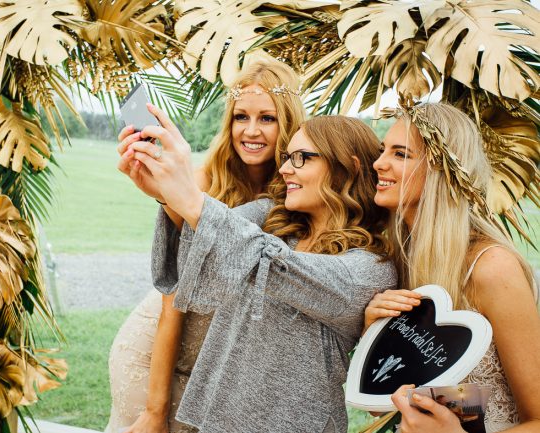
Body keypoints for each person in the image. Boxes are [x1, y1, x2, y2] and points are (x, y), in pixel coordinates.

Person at [118, 111, 397, 433]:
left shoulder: (370, 267)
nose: (284, 169)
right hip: (217, 421)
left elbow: (268, 263)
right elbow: (203, 243)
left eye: (301, 158)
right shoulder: (270, 217)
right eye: (286, 157)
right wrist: (164, 193)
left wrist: (188, 196)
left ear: (349, 168)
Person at [105, 58, 306, 433]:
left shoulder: (297, 193)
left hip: (211, 370)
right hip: (153, 359)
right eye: (240, 117)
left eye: (267, 118)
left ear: (289, 122)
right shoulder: (202, 185)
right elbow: (173, 303)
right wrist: (154, 410)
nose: (251, 130)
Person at [362, 103, 540, 433]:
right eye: (382, 150)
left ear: (442, 170)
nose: (378, 164)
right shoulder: (401, 259)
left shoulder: (491, 268)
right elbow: (388, 406)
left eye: (400, 154)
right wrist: (374, 336)